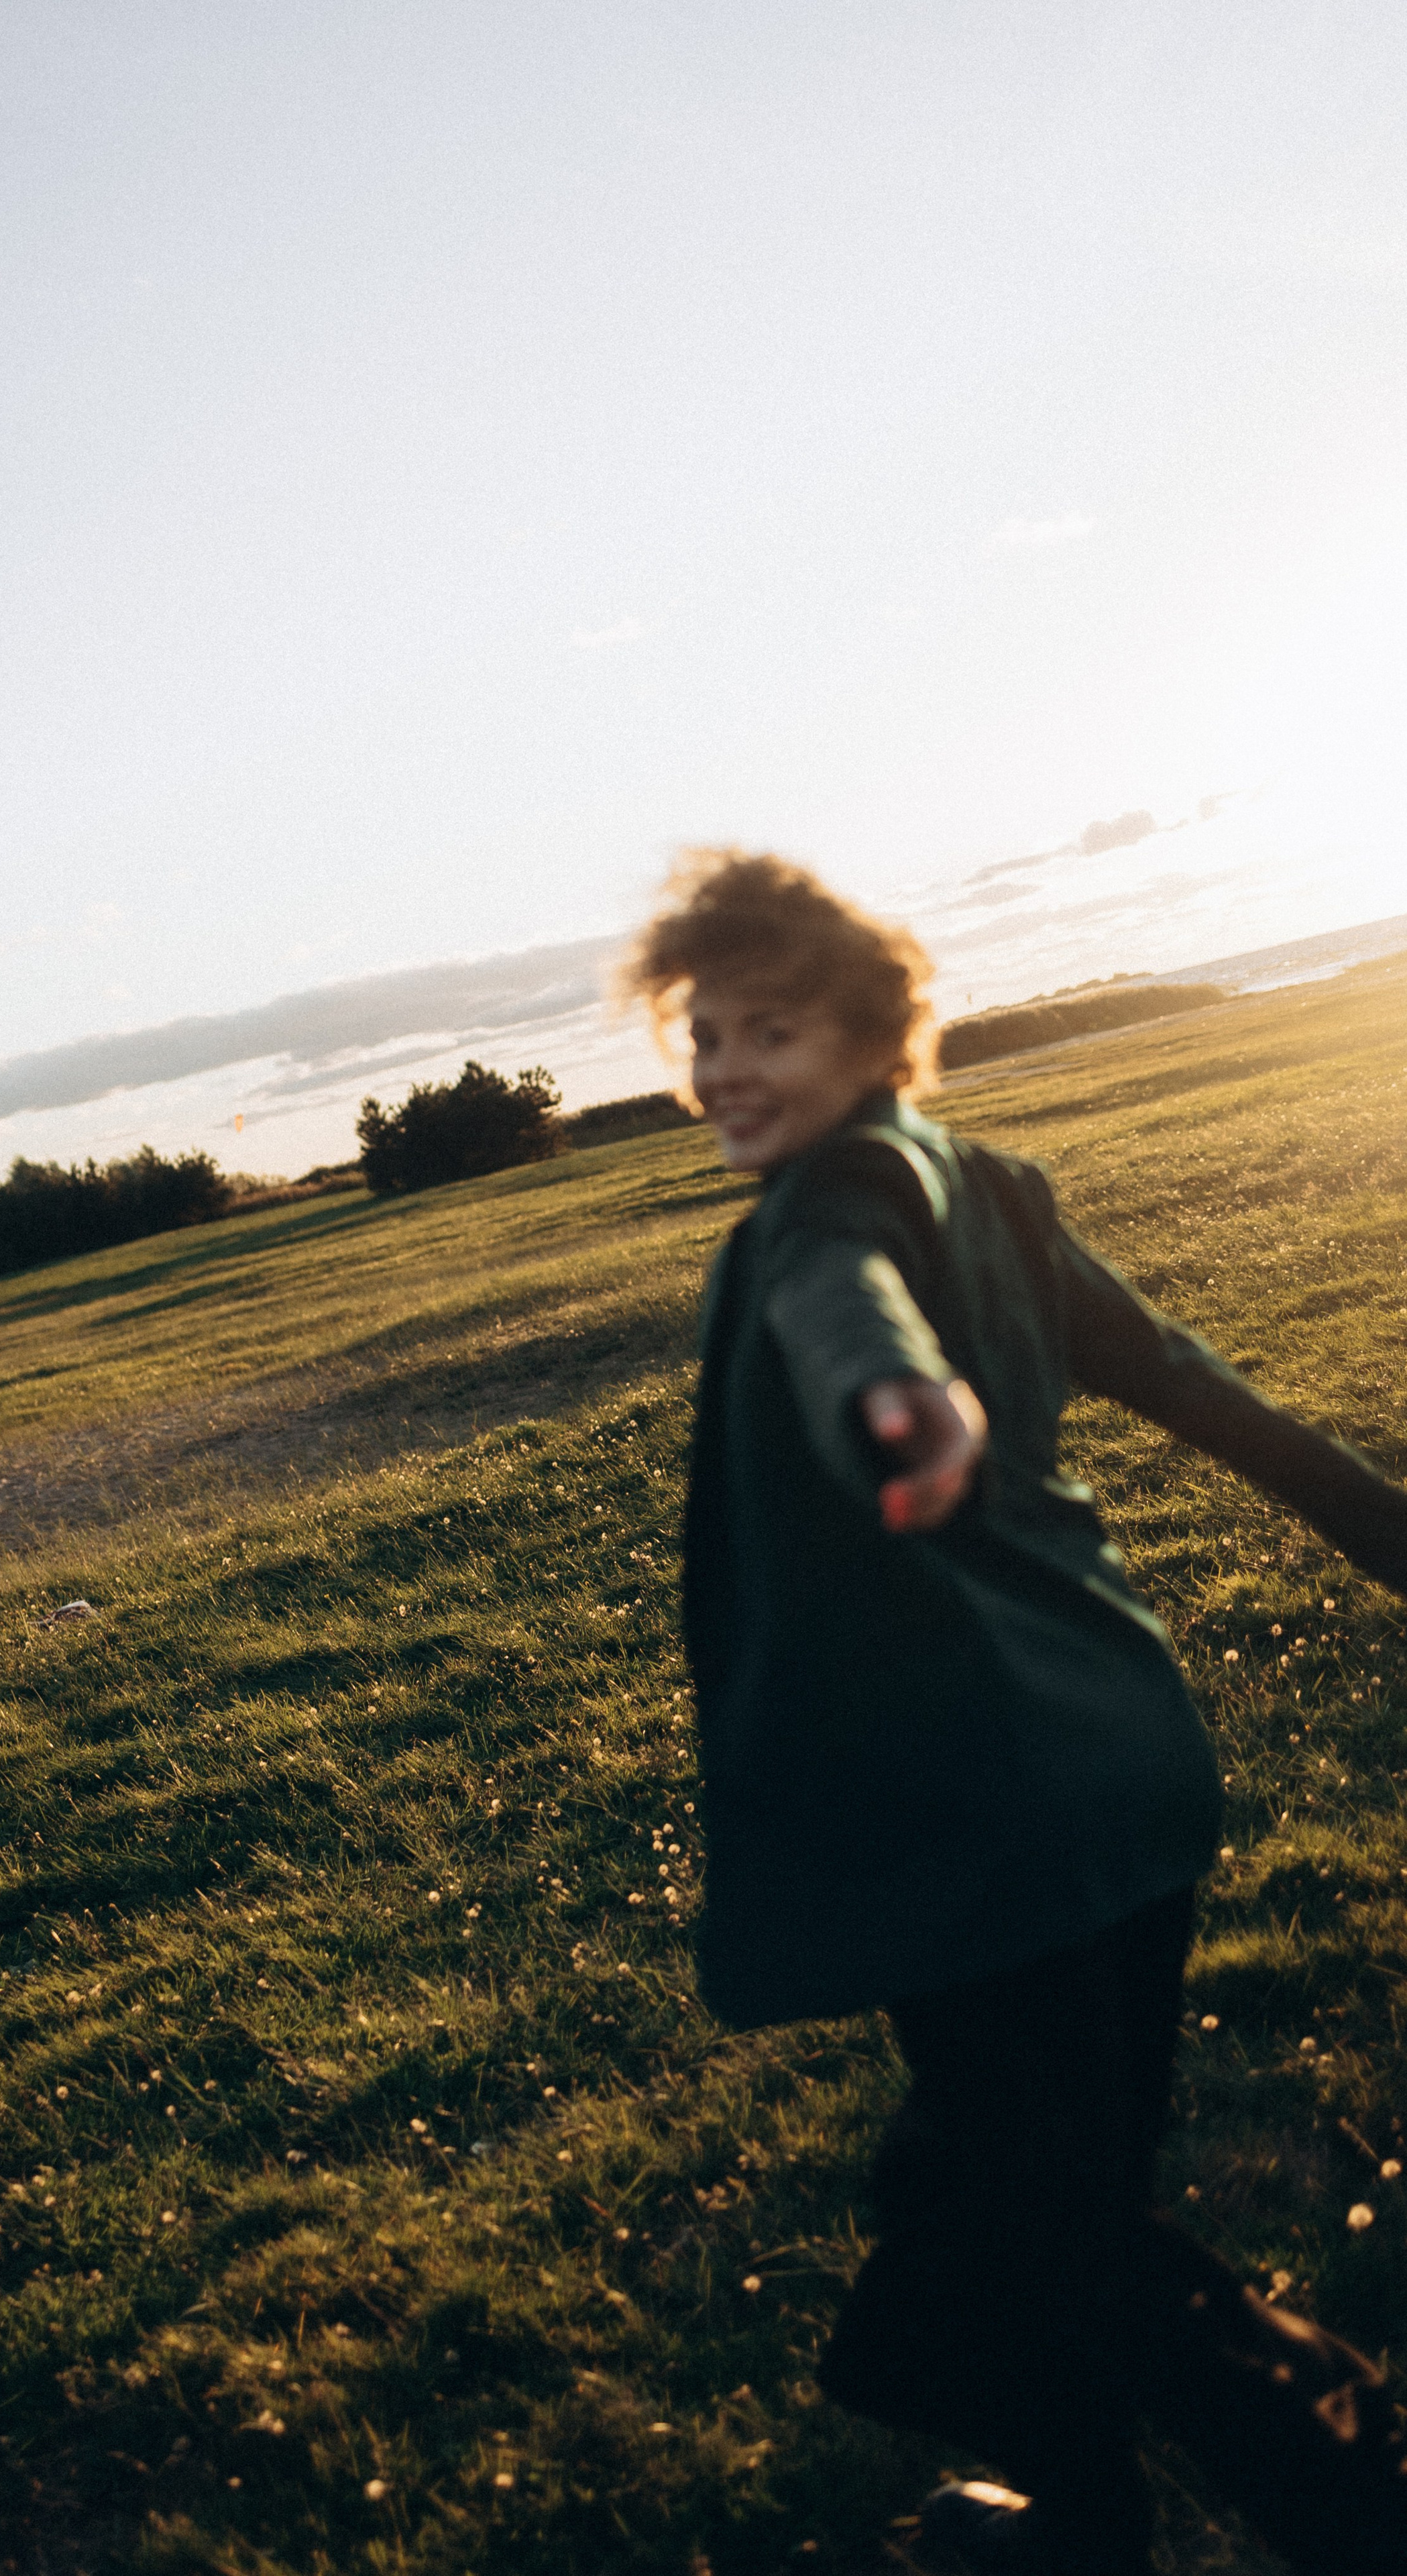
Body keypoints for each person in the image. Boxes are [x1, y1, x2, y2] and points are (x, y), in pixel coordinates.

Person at [618, 849, 1407, 2576]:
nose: (727, 1069)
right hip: (1121, 1766)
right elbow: (1208, 1395)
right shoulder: (995, 1191)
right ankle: (1076, 2517)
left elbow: (847, 1310)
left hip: (967, 1816)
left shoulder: (823, 1207)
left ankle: (1335, 2482)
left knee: (1019, 2223)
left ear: (877, 1039)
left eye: (771, 1029)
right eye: (703, 1033)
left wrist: (902, 1401)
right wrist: (1379, 1529)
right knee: (1060, 2191)